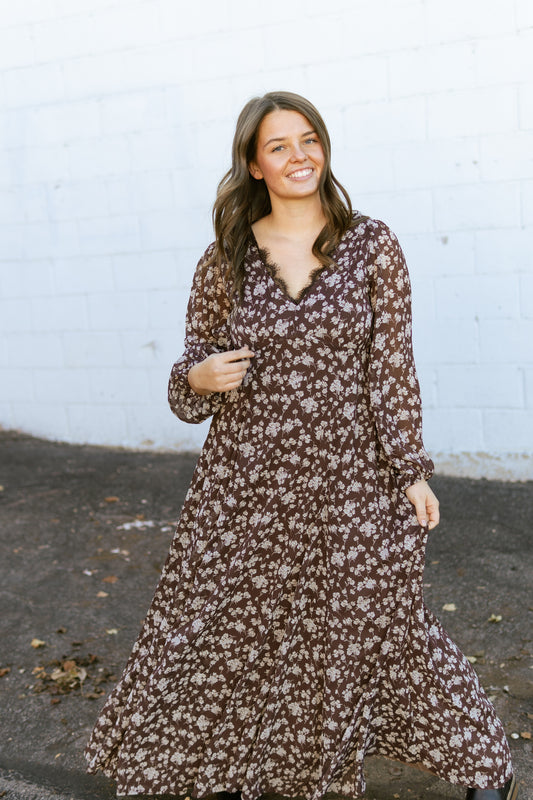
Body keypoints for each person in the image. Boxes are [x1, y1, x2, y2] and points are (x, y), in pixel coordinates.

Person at [85, 91, 517, 800]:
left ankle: (481, 764)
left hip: (352, 480)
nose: (298, 156)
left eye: (308, 139)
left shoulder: (371, 243)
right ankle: (246, 771)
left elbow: (391, 366)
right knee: (231, 636)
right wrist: (194, 376)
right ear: (253, 165)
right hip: (246, 486)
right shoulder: (223, 261)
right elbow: (188, 384)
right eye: (278, 146)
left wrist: (409, 470)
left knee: (385, 625)